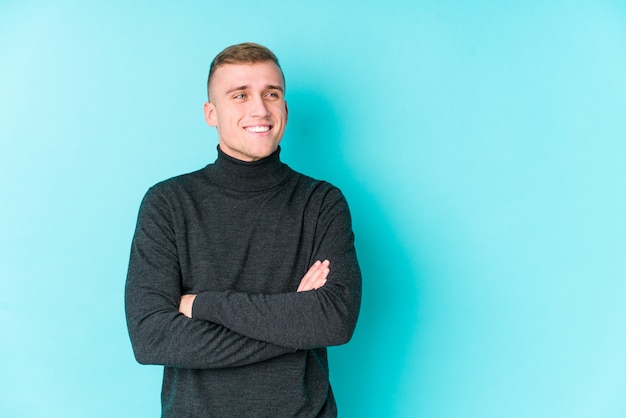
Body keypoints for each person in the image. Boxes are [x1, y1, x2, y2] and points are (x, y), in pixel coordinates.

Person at [125, 42, 362, 417]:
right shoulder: (168, 203)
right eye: (240, 95)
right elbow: (151, 338)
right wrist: (294, 323)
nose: (260, 109)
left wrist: (202, 304)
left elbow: (334, 320)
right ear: (211, 113)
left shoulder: (321, 202)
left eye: (272, 94)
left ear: (284, 108)